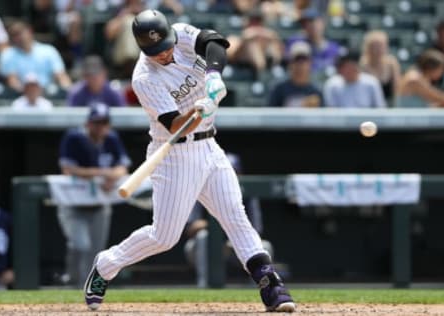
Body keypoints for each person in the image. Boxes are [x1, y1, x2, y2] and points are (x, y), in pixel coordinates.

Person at [83, 10, 295, 313]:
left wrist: (213, 75)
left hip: (210, 146)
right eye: (156, 52)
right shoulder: (144, 78)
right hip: (175, 156)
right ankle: (105, 264)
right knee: (164, 236)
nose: (165, 54)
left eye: (166, 46)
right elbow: (175, 125)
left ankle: (272, 287)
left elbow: (214, 42)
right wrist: (200, 107)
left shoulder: (181, 34)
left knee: (236, 217)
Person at [58, 103, 132, 287]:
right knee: (80, 244)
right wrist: (102, 174)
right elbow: (68, 169)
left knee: (96, 252)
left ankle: (88, 287)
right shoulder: (74, 137)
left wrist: (111, 177)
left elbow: (122, 167)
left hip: (100, 204)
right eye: (96, 122)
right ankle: (73, 279)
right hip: (74, 204)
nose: (100, 127)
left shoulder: (111, 138)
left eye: (104, 123)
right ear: (88, 123)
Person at [184, 153, 274, 288]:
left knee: (265, 246)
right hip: (208, 247)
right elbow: (191, 228)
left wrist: (234, 240)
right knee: (202, 237)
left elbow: (256, 229)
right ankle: (204, 285)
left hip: (237, 246)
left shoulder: (248, 193)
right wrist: (218, 225)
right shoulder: (201, 188)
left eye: (233, 173)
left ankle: (261, 287)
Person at [0, 20, 71, 92]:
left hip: (47, 95)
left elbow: (61, 76)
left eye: (20, 33)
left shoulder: (49, 50)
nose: (18, 37)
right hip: (20, 97)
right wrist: (32, 95)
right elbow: (12, 82)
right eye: (14, 35)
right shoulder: (8, 54)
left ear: (30, 31)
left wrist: (68, 91)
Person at [226, 10, 283, 78]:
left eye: (258, 21)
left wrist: (272, 37)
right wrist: (245, 39)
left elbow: (280, 51)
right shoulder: (235, 37)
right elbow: (229, 55)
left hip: (264, 67)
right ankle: (262, 75)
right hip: (240, 68)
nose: (255, 24)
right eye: (252, 20)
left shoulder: (266, 38)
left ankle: (268, 73)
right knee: (251, 44)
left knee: (270, 44)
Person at [286, 8, 341, 74]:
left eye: (313, 21)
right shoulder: (296, 42)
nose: (310, 25)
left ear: (322, 23)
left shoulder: (333, 47)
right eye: (305, 23)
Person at [269, 41, 323, 107]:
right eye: (297, 60)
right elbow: (271, 114)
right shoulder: (279, 89)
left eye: (304, 60)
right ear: (290, 63)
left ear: (310, 63)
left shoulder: (316, 90)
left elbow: (324, 115)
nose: (300, 65)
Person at [360, 30, 401, 102]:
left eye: (380, 46)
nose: (377, 49)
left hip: (389, 105)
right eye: (374, 46)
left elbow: (397, 88)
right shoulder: (363, 65)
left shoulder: (391, 63)